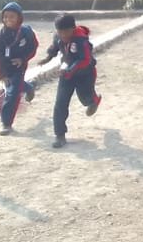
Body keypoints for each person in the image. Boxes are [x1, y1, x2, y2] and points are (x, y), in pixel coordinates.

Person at [40, 14, 100, 149]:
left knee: (84, 97)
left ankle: (93, 101)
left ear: (73, 29)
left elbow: (85, 60)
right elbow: (55, 47)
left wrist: (71, 69)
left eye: (66, 31)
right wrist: (48, 58)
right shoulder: (58, 37)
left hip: (85, 74)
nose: (63, 35)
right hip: (66, 75)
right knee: (60, 103)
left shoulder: (81, 41)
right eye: (60, 32)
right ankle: (60, 135)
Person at [0, 2, 39, 136]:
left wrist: (23, 59)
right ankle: (29, 87)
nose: (8, 19)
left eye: (12, 17)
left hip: (19, 66)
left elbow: (33, 47)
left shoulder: (26, 32)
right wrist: (1, 74)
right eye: (5, 17)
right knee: (14, 86)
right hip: (6, 67)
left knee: (12, 93)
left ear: (19, 18)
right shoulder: (0, 35)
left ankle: (6, 123)